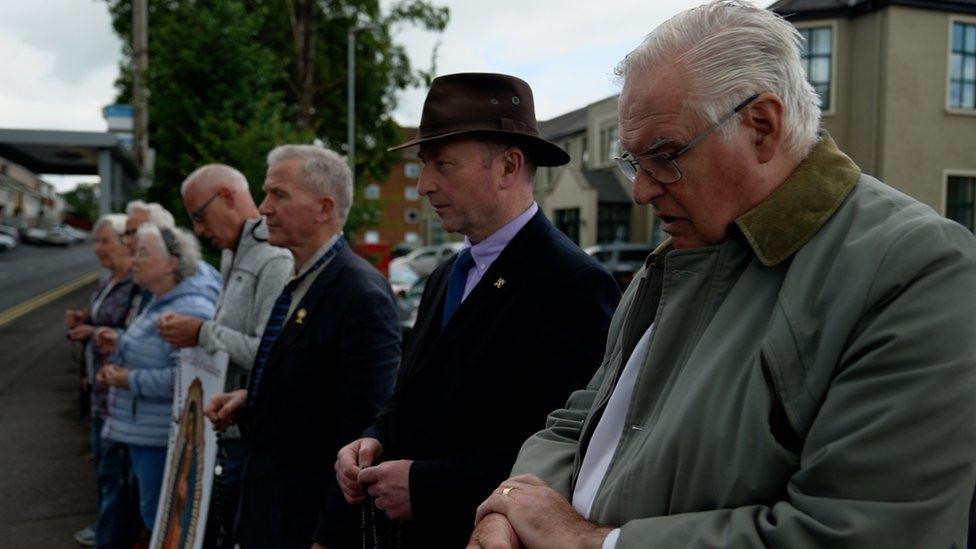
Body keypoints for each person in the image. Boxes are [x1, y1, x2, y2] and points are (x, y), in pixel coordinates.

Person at [468, 3, 976, 548]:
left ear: (762, 125)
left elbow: (863, 531)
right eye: (633, 162)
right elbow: (581, 422)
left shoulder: (915, 269)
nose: (641, 189)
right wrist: (509, 510)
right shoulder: (676, 259)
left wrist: (591, 543)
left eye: (665, 155)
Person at [335, 73, 621, 548]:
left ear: (509, 166)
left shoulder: (572, 284)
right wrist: (374, 438)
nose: (425, 185)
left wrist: (427, 485)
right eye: (424, 166)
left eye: (443, 165)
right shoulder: (449, 273)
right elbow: (412, 394)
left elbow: (571, 447)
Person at [204, 145, 401, 548]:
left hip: (304, 526)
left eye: (279, 194)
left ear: (323, 208)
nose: (262, 208)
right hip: (268, 514)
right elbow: (312, 381)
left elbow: (361, 434)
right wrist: (252, 396)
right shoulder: (300, 279)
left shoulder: (360, 295)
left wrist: (329, 536)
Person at [157, 163, 292, 548]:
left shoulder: (273, 258)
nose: (198, 230)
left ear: (228, 197)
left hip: (243, 438)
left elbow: (269, 356)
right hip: (221, 432)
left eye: (199, 216)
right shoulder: (235, 250)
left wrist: (201, 331)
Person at [99, 224, 218, 536]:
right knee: (154, 519)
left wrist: (129, 379)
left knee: (163, 524)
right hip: (147, 433)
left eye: (143, 253)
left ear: (171, 263)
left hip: (161, 439)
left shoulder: (189, 307)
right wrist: (121, 342)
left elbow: (189, 381)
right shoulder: (161, 300)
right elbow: (156, 351)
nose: (133, 259)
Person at [64, 214, 140, 547]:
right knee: (102, 463)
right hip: (97, 387)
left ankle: (111, 532)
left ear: (126, 241)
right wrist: (86, 317)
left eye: (105, 241)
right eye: (96, 241)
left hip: (117, 389)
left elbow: (138, 335)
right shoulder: (109, 278)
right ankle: (105, 525)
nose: (98, 249)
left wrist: (93, 331)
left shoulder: (138, 283)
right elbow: (104, 317)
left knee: (112, 469)